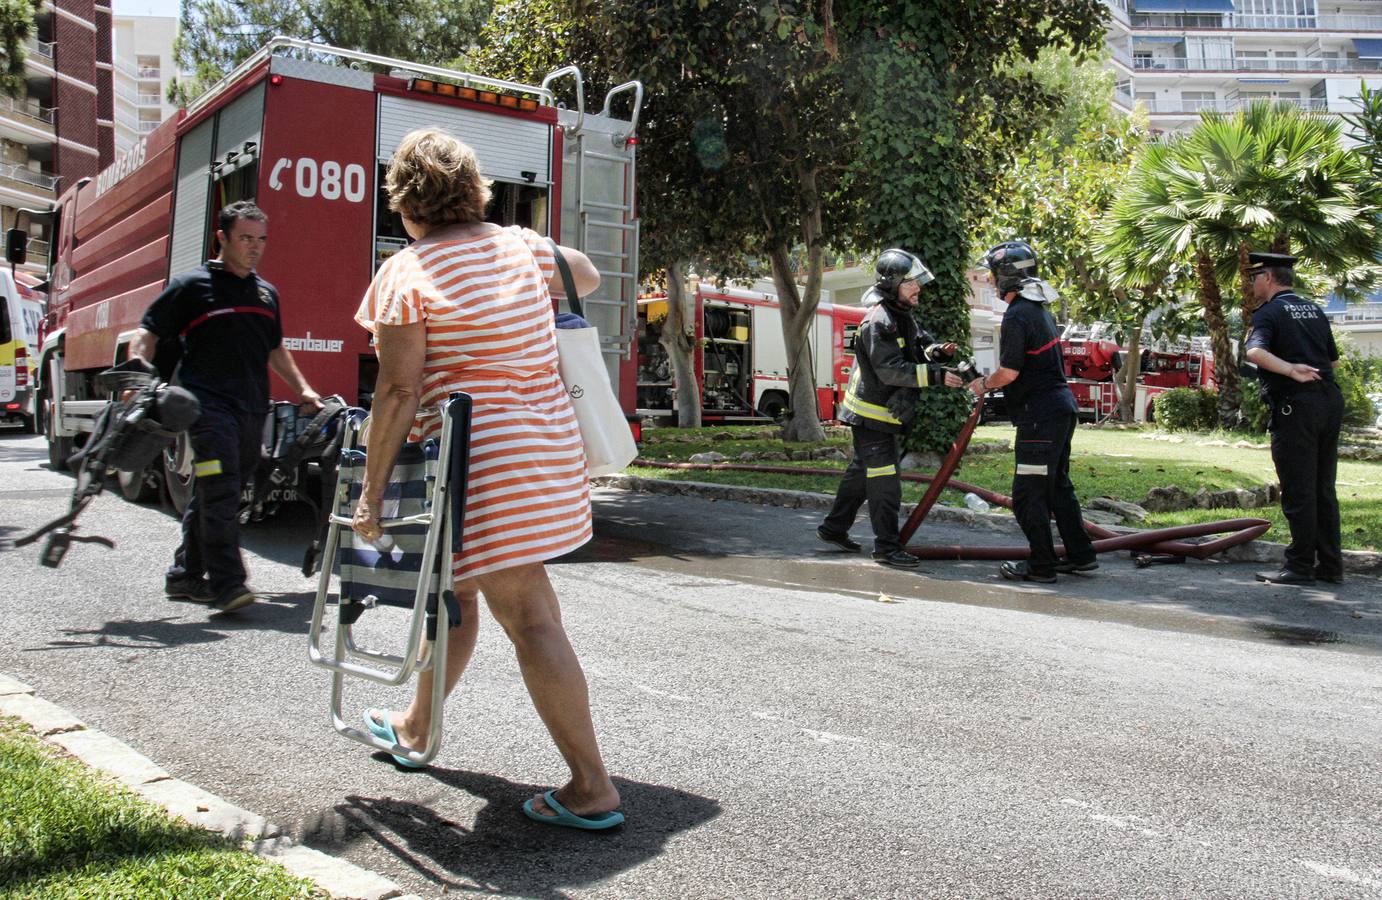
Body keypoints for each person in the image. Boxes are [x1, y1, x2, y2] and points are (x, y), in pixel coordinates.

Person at [351, 129, 623, 830]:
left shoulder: (406, 274)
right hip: (545, 450)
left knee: (530, 617)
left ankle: (592, 788)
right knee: (458, 597)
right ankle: (414, 727)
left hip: (481, 462)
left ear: (406, 204)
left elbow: (398, 392)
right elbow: (587, 276)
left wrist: (370, 493)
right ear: (475, 191)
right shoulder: (521, 248)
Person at [130, 201, 321, 612]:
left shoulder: (266, 293)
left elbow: (275, 349)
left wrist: (304, 388)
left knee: (224, 492)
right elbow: (148, 332)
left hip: (252, 409)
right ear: (223, 238)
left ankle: (184, 575)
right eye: (245, 239)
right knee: (219, 486)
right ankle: (227, 584)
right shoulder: (192, 286)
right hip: (207, 406)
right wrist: (137, 372)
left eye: (261, 240)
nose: (255, 248)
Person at [818, 249, 962, 569]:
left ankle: (833, 527)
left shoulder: (903, 315)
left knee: (861, 473)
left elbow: (922, 345)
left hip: (882, 414)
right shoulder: (877, 322)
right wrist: (938, 376)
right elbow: (890, 370)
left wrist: (939, 352)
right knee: (885, 480)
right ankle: (886, 547)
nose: (918, 289)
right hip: (870, 417)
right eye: (911, 283)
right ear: (893, 283)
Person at [967, 240, 1096, 584]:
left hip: (1040, 417)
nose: (992, 283)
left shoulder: (1017, 315)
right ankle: (1081, 555)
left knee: (1027, 494)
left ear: (1008, 276)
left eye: (995, 275)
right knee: (1057, 489)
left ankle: (1041, 565)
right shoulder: (1038, 309)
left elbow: (1009, 372)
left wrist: (983, 384)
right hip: (1060, 410)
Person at [1243, 252, 1343, 586]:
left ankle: (1299, 567)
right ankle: (1330, 566)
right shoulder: (1314, 310)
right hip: (1328, 401)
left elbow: (1254, 352)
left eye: (1255, 277)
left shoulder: (1268, 313)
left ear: (1268, 278)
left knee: (1299, 490)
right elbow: (1333, 361)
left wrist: (1289, 370)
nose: (1252, 283)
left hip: (1295, 406)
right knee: (1323, 488)